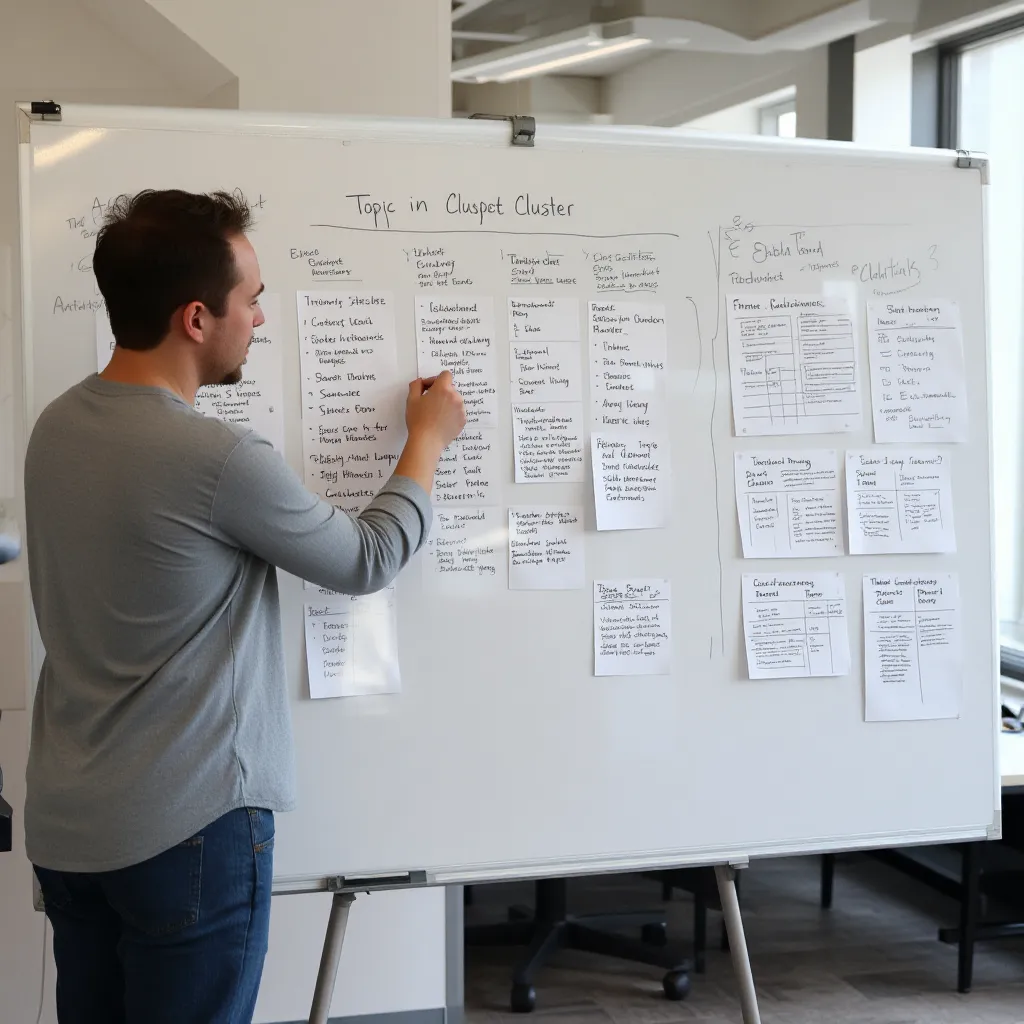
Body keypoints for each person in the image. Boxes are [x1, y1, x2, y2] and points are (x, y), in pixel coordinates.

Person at [23, 189, 466, 1024]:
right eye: (251, 299)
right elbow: (366, 559)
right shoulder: (215, 456)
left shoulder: (55, 428)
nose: (260, 319)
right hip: (186, 833)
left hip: (71, 830)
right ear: (196, 319)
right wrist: (427, 440)